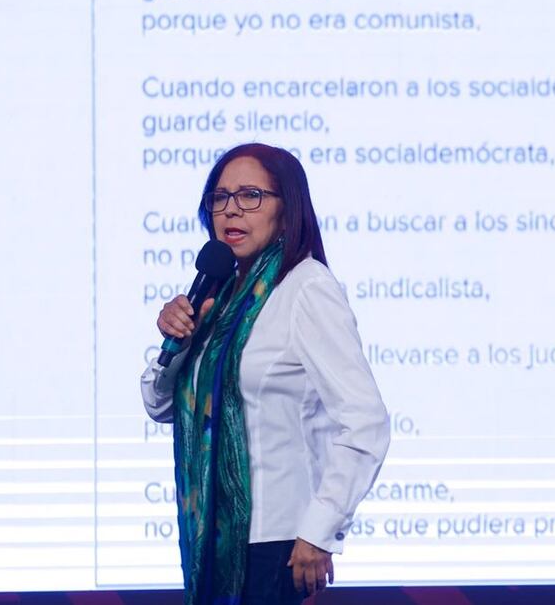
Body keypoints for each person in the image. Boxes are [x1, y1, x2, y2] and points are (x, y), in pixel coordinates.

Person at [140, 143, 390, 605]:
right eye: (219, 197)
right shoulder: (221, 298)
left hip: (276, 543)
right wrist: (178, 345)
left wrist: (320, 531)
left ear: (286, 208)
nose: (231, 209)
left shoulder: (306, 288)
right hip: (214, 539)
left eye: (250, 195)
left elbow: (366, 422)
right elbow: (162, 405)